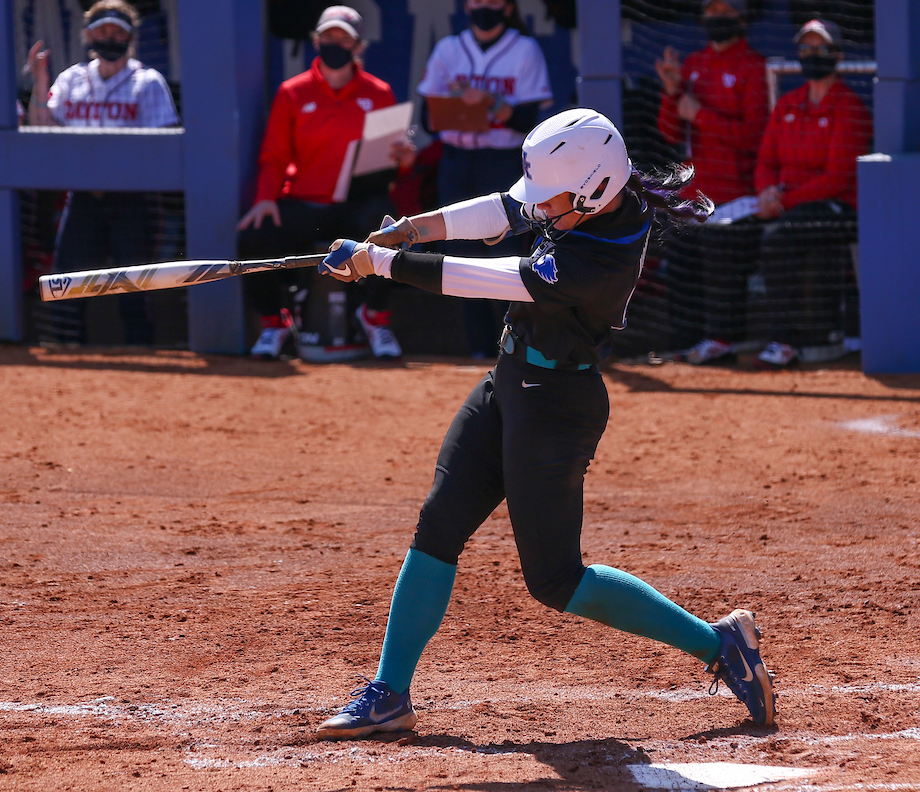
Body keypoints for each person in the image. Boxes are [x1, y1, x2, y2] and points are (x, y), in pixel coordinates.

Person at [312, 109, 776, 740]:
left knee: (555, 579)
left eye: (551, 197)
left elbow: (489, 277)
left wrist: (384, 265)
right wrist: (411, 230)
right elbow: (505, 210)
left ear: (591, 189)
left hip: (556, 406)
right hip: (508, 384)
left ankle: (718, 644)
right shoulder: (587, 198)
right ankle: (390, 693)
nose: (539, 206)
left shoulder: (600, 258)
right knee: (439, 523)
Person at [237, 5, 405, 361]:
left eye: (343, 37)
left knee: (392, 230)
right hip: (305, 204)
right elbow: (274, 156)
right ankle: (273, 324)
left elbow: (389, 170)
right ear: (315, 41)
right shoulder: (292, 92)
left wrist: (404, 160)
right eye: (328, 36)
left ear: (358, 45)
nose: (335, 43)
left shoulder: (379, 93)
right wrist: (265, 198)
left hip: (355, 207)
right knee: (254, 237)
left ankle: (374, 318)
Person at [26, 0, 179, 346]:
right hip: (82, 198)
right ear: (88, 35)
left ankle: (140, 355)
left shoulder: (148, 81)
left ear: (130, 36)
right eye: (102, 31)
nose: (109, 37)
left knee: (134, 285)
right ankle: (67, 351)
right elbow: (41, 129)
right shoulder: (71, 79)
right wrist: (39, 83)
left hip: (134, 201)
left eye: (117, 31)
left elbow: (162, 149)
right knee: (67, 280)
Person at [417, 0, 552, 359]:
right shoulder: (449, 48)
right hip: (457, 160)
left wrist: (488, 102)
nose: (483, 6)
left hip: (502, 161)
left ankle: (515, 344)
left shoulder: (523, 49)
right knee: (461, 251)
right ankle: (478, 348)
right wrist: (462, 104)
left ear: (507, 7)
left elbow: (528, 120)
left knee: (508, 251)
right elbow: (426, 118)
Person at [751, 19, 872, 369]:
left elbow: (837, 178)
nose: (812, 55)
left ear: (838, 55)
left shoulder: (849, 107)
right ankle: (722, 337)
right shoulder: (788, 103)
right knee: (722, 231)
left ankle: (785, 342)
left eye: (821, 49)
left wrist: (782, 202)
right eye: (806, 49)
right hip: (788, 205)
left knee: (779, 241)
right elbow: (765, 160)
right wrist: (765, 193)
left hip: (839, 209)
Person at [654, 0, 768, 365]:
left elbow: (754, 136)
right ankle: (686, 342)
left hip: (738, 195)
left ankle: (723, 341)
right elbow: (670, 130)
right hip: (695, 192)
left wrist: (701, 114)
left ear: (742, 16)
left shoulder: (753, 66)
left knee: (721, 252)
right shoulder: (694, 64)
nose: (716, 18)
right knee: (677, 250)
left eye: (725, 10)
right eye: (711, 10)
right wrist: (672, 92)